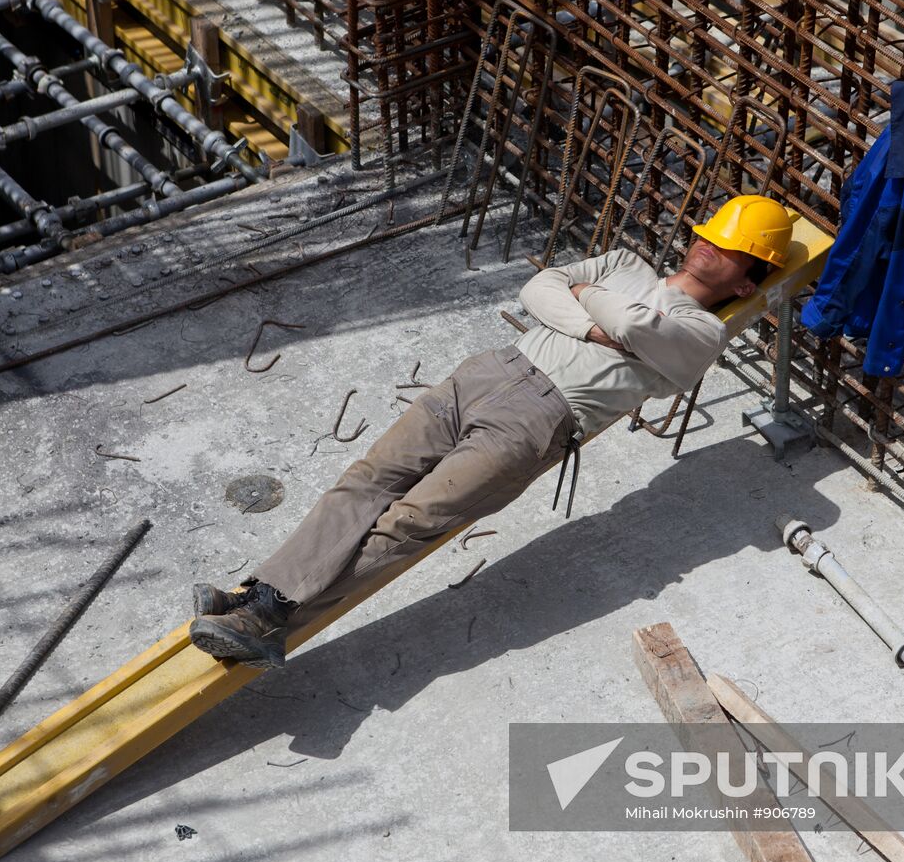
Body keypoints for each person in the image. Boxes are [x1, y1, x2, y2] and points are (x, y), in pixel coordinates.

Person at [188, 194, 794, 669]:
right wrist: (593, 327)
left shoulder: (702, 336)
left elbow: (633, 320)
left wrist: (590, 302)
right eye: (709, 234)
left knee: (409, 520)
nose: (707, 247)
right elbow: (539, 289)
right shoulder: (623, 264)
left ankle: (272, 615)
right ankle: (257, 597)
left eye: (728, 248)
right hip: (489, 370)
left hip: (540, 419)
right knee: (367, 480)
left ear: (746, 283)